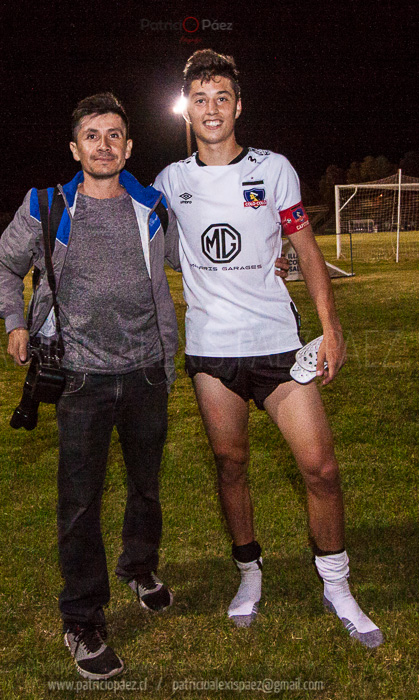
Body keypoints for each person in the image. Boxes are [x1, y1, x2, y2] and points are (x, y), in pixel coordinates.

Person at [154, 49, 383, 648]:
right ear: (187, 109)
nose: (211, 109)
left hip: (278, 344)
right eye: (200, 99)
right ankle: (248, 575)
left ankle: (337, 584)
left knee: (321, 467)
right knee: (231, 466)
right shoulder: (169, 182)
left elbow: (305, 249)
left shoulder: (273, 168)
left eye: (221, 98)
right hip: (211, 350)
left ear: (238, 106)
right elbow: (147, 248)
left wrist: (330, 328)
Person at [0, 93, 181, 680]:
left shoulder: (152, 207)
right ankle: (83, 619)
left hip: (147, 370)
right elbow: (1, 264)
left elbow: (196, 264)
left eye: (115, 135)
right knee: (80, 504)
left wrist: (270, 266)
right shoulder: (47, 205)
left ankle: (139, 566)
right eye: (92, 136)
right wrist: (15, 321)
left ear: (129, 146)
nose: (104, 145)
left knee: (146, 487)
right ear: (75, 148)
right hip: (79, 379)